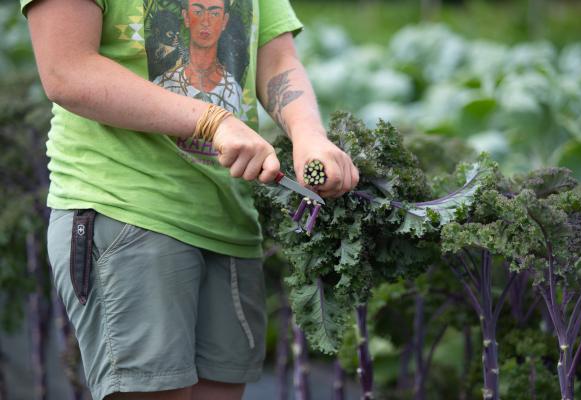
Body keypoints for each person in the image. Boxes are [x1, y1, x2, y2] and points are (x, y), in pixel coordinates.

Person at [23, 0, 359, 399]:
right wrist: (212, 120)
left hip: (228, 222)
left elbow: (276, 54)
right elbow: (67, 71)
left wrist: (309, 136)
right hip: (128, 209)